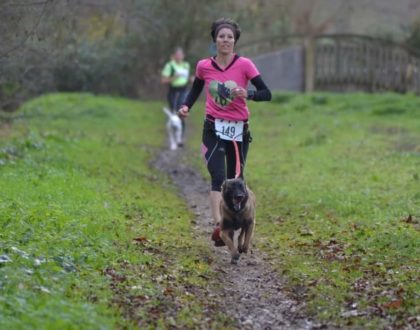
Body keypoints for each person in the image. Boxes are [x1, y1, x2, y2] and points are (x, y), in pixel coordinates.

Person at [178, 18, 272, 243]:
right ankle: (220, 226)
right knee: (218, 177)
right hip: (212, 127)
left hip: (239, 130)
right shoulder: (204, 66)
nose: (226, 40)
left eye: (230, 37)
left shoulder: (245, 65)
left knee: (236, 179)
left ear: (235, 40)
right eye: (222, 36)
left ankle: (239, 219)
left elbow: (266, 93)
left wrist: (247, 93)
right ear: (215, 40)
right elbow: (196, 89)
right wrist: (185, 106)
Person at [161, 47, 191, 140]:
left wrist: (192, 79)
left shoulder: (186, 65)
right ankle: (172, 135)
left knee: (181, 111)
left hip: (184, 90)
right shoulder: (169, 66)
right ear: (174, 56)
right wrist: (174, 77)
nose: (179, 57)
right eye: (177, 55)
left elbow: (187, 78)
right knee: (173, 113)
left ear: (183, 56)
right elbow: (164, 80)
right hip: (173, 91)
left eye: (180, 55)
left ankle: (180, 136)